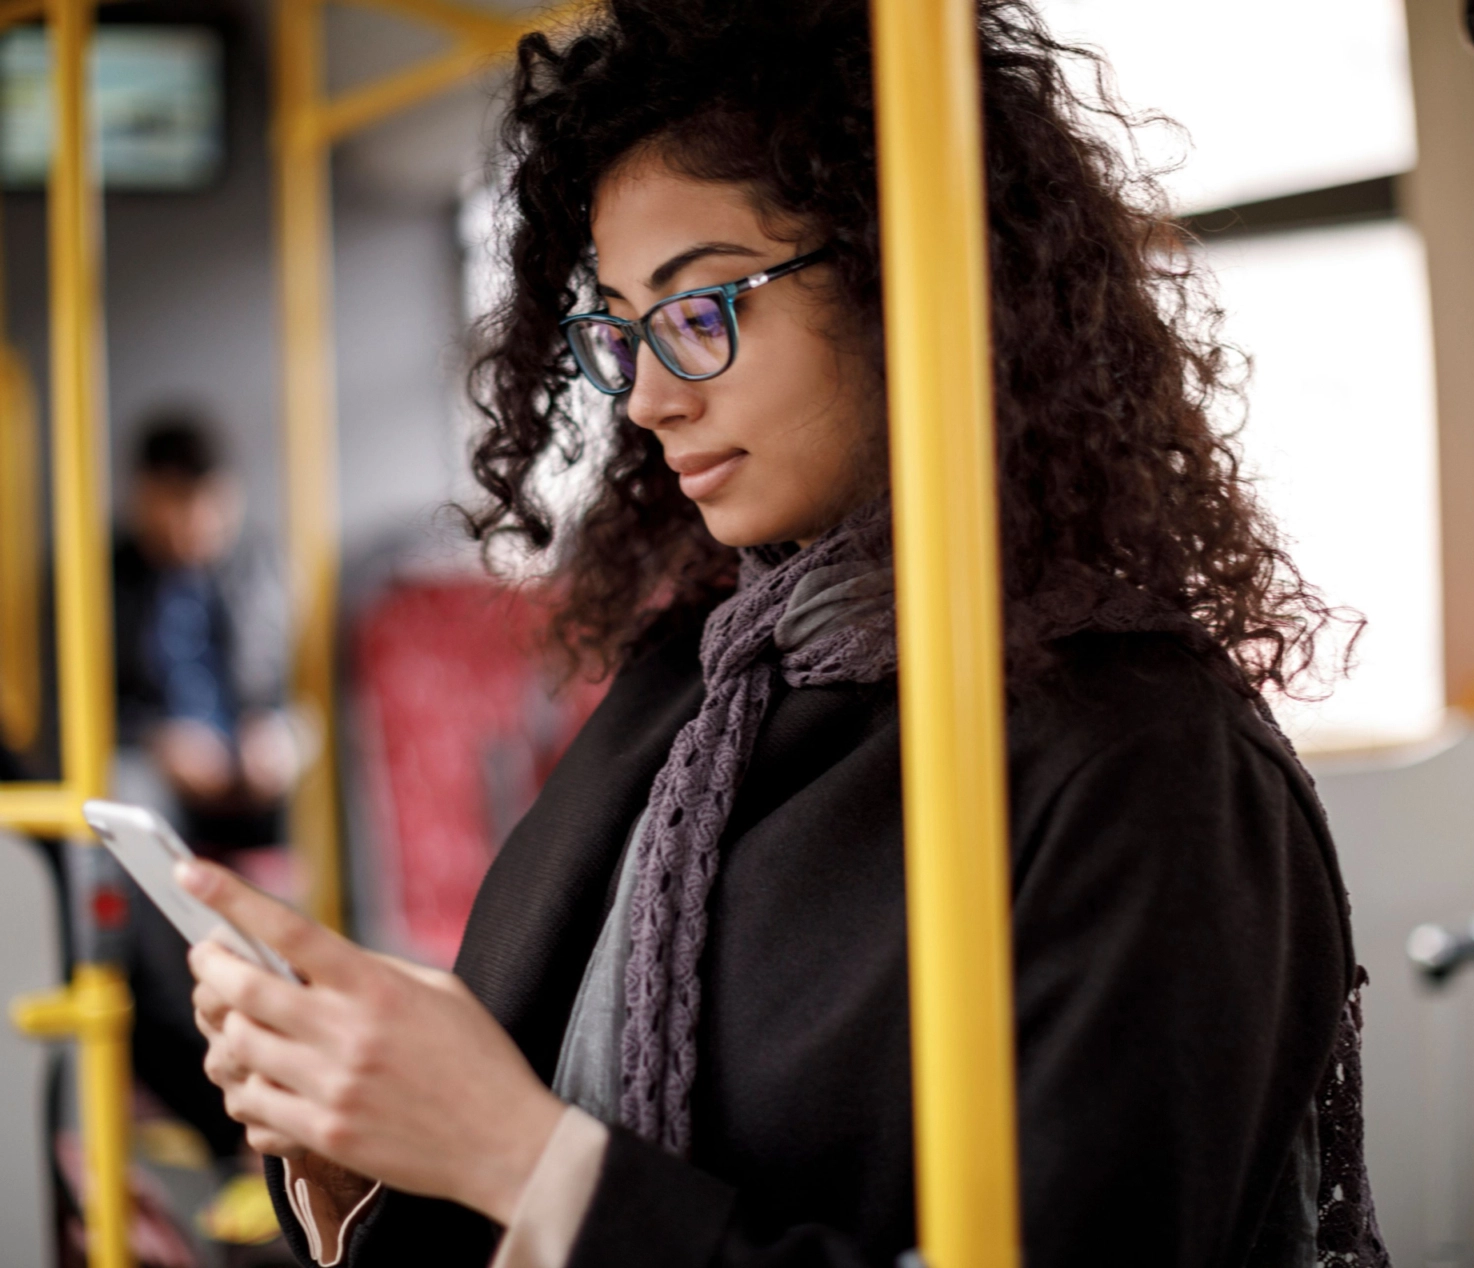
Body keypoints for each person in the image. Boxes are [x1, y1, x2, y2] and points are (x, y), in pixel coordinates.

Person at [181, 1, 1389, 1265]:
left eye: (703, 308)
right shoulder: (688, 682)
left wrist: (508, 1154)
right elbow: (524, 1108)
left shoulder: (1145, 764)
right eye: (617, 329)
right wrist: (371, 1149)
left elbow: (538, 1150)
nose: (647, 397)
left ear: (909, 276)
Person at [114, 415, 298, 1168]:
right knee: (123, 789)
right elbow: (84, 708)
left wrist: (274, 730)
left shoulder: (256, 566)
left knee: (301, 742)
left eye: (206, 507)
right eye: (174, 507)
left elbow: (280, 686)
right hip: (156, 768)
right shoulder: (102, 582)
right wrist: (159, 737)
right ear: (142, 502)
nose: (192, 526)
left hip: (246, 773)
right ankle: (177, 991)